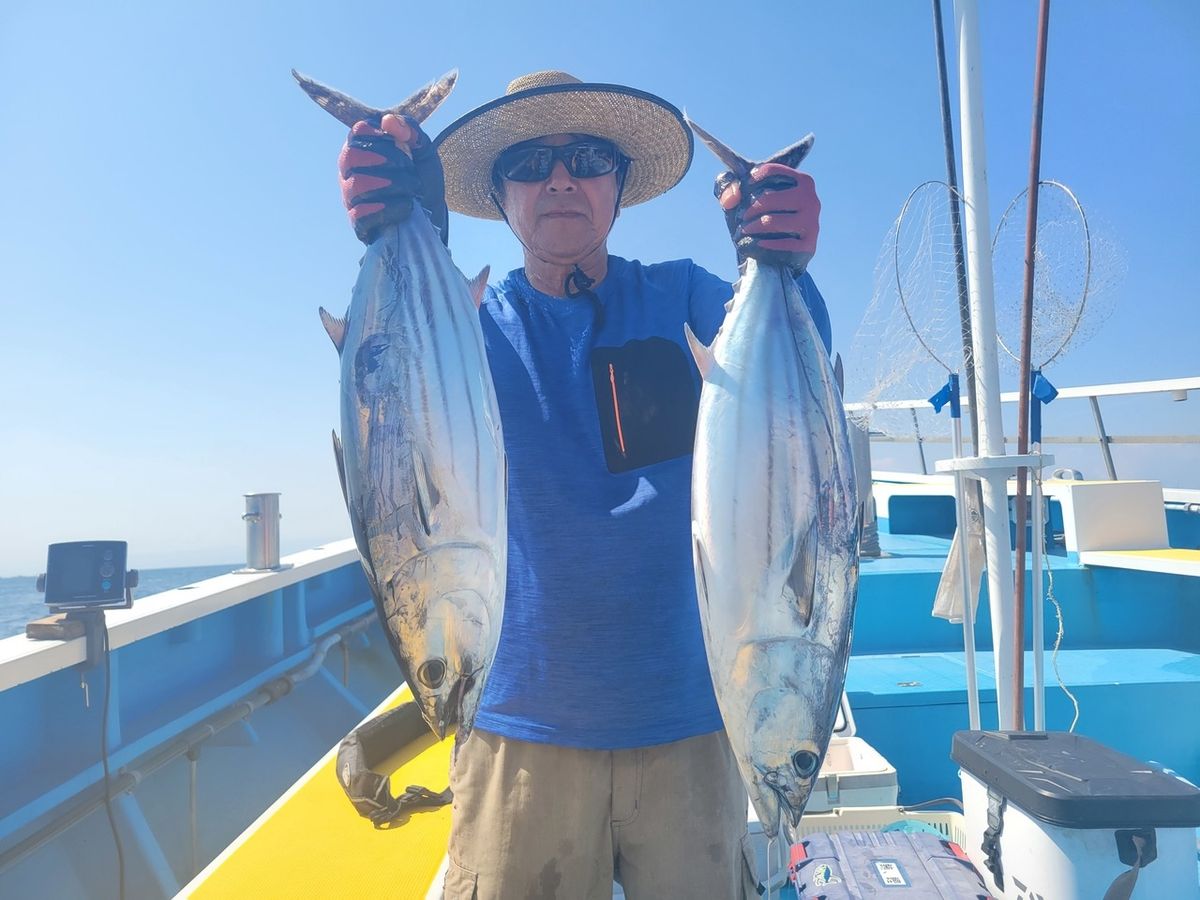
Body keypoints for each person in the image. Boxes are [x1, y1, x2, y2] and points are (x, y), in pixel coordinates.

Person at [336, 70, 828, 900]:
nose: (559, 177)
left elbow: (794, 392)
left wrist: (787, 265)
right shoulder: (473, 327)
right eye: (529, 162)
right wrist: (410, 227)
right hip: (517, 729)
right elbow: (405, 396)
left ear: (618, 186)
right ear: (499, 193)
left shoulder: (687, 298)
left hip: (696, 722)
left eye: (588, 157)